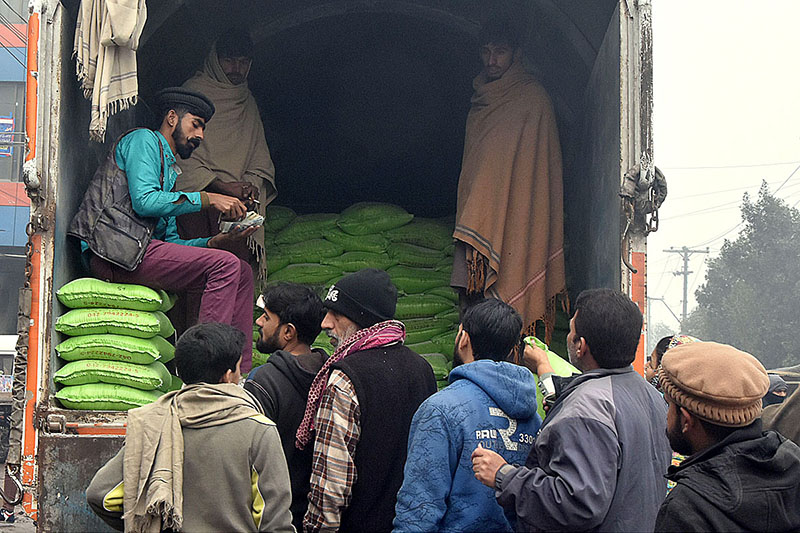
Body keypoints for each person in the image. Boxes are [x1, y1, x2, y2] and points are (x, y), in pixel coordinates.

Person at [68, 87, 259, 373]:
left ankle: (240, 374)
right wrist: (208, 199)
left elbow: (170, 243)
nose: (200, 136)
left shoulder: (169, 171)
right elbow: (144, 201)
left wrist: (216, 241)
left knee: (241, 270)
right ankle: (206, 370)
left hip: (139, 253)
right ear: (172, 118)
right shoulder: (143, 140)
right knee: (225, 267)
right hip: (113, 253)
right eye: (196, 124)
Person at [471, 288, 671, 532]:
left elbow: (577, 503)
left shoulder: (588, 406)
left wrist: (504, 476)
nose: (568, 337)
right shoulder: (653, 398)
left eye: (571, 332)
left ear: (581, 346)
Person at [86, 323, 294, 532]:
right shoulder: (259, 431)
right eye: (239, 368)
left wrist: (146, 522)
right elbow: (275, 523)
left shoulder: (155, 423)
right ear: (228, 375)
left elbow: (100, 494)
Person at [298, 268, 437, 532]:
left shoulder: (344, 378)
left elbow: (331, 481)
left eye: (335, 314)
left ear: (360, 318)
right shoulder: (422, 369)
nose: (325, 323)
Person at [451, 18, 565, 335]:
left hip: (516, 221)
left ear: (516, 54)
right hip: (476, 223)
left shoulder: (533, 100)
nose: (491, 60)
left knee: (504, 313)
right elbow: (478, 169)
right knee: (473, 309)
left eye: (500, 52)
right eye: (485, 51)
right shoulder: (481, 100)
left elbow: (538, 176)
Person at [393, 298, 541, 533]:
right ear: (513, 350)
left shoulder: (440, 410)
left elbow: (420, 508)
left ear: (463, 339)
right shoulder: (534, 418)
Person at [655, 341, 800, 532]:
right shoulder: (793, 465)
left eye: (669, 406)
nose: (667, 416)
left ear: (687, 421)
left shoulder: (685, 510)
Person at [176, 31, 276, 282]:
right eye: (229, 60)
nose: (237, 69)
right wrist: (220, 187)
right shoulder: (192, 94)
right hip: (196, 201)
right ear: (214, 59)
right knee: (196, 275)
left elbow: (258, 157)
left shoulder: (247, 101)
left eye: (244, 62)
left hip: (237, 208)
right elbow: (179, 156)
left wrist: (249, 185)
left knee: (235, 274)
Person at [244, 282, 328, 531]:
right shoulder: (333, 376)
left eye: (266, 317)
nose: (259, 322)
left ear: (288, 332)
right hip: (315, 514)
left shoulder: (263, 381)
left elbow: (249, 459)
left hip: (272, 517)